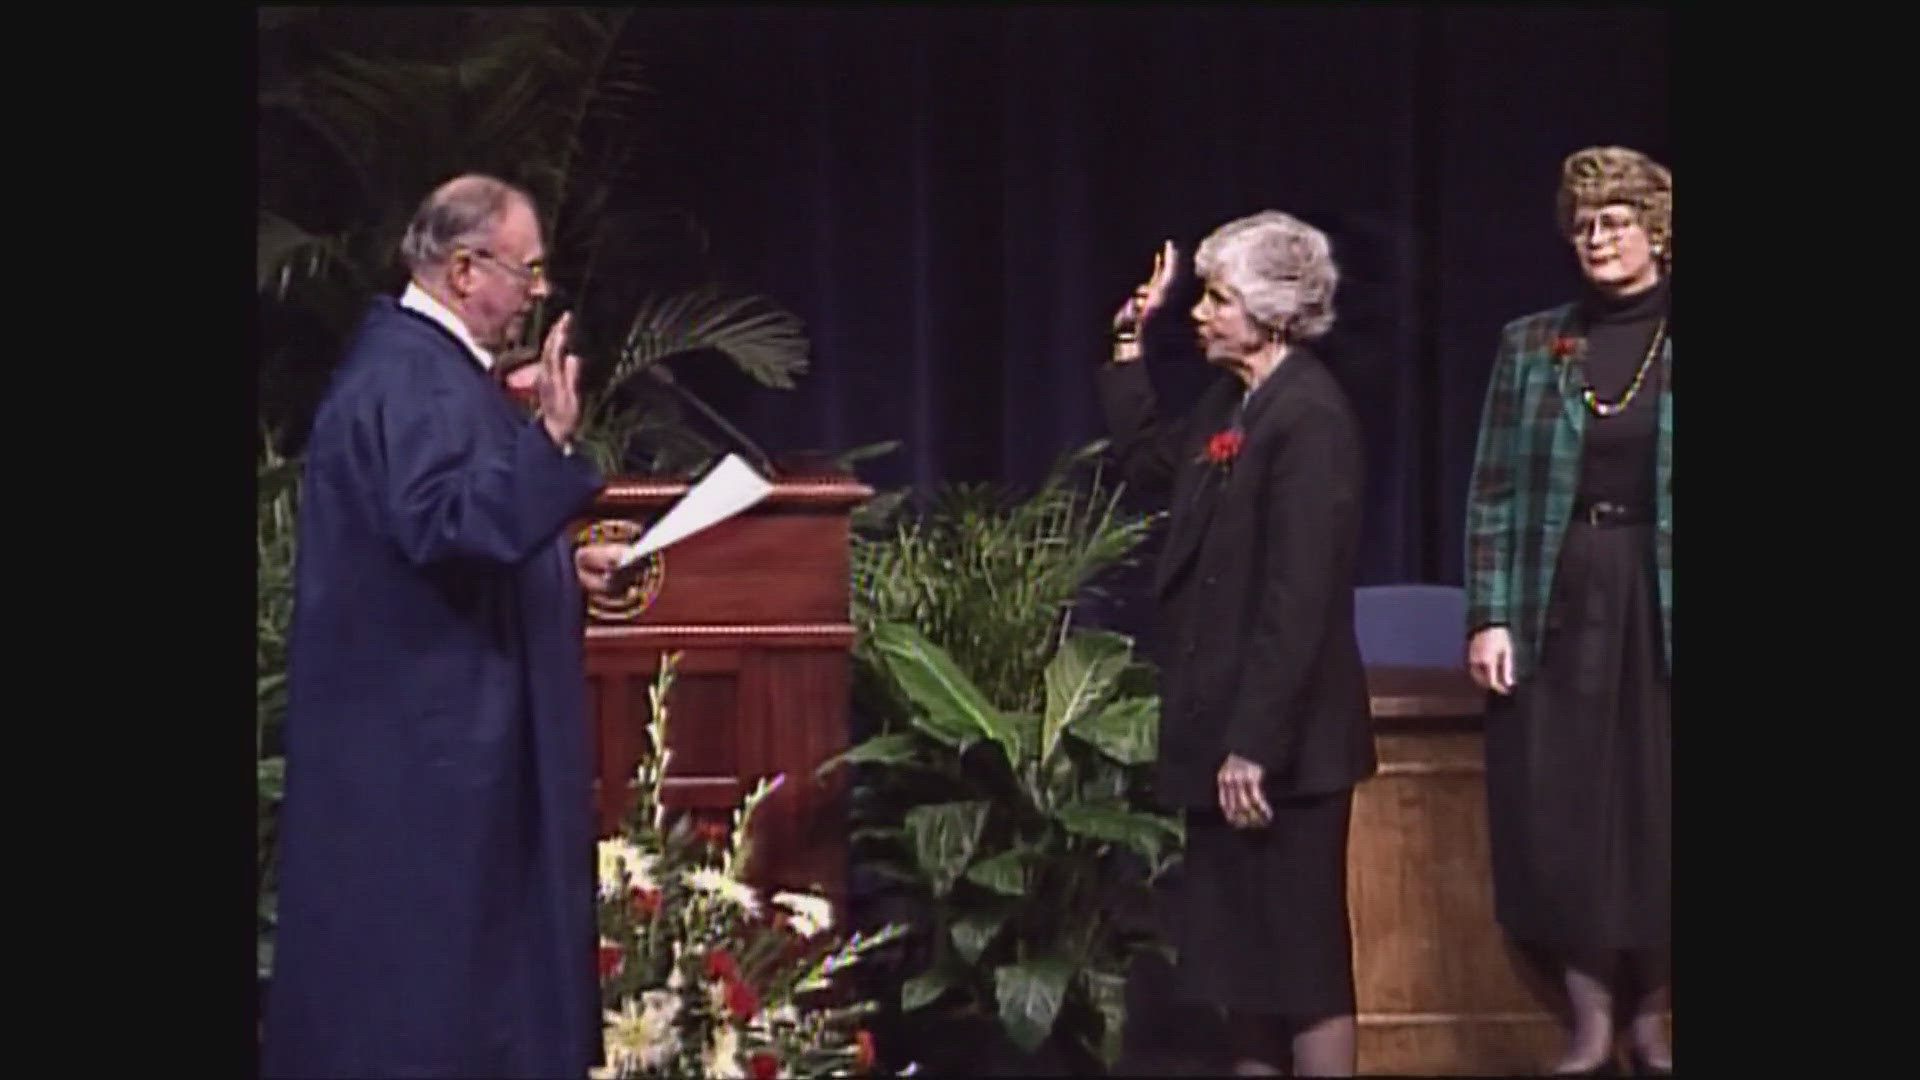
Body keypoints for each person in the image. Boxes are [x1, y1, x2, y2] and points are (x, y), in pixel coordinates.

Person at [263, 174, 629, 1079]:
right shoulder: (410, 375)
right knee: (432, 1003)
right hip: (430, 767)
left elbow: (434, 542)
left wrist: (556, 571)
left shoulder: (424, 370)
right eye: (528, 270)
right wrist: (546, 440)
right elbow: (444, 524)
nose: (539, 294)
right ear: (465, 269)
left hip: (435, 745)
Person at [1098, 212, 1377, 1077]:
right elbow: (1148, 461)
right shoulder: (1236, 401)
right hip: (1220, 726)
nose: (1202, 313)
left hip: (1283, 750)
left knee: (1298, 967)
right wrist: (1126, 343)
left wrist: (1253, 745)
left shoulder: (1310, 417)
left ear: (1273, 312)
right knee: (1242, 971)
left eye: (1219, 298)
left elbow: (1299, 602)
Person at [1463, 146, 1673, 1076]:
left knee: (1661, 800)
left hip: (1663, 587)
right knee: (1569, 802)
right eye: (1584, 226)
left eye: (1616, 221)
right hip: (1567, 589)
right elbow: (1495, 494)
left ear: (1656, 231)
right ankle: (1588, 1019)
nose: (1597, 239)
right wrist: (1489, 615)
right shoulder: (1530, 344)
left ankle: (1654, 1018)